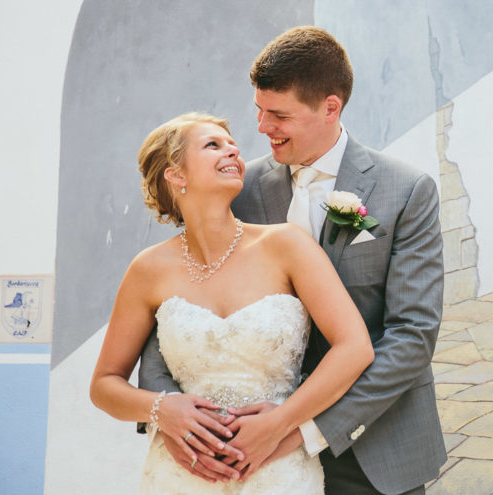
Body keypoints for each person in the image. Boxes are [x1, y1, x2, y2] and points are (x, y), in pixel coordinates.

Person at [139, 26, 447, 494]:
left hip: (372, 443)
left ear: (330, 107)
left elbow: (411, 335)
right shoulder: (236, 188)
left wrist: (300, 428)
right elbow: (175, 305)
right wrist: (171, 414)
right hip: (242, 452)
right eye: (259, 112)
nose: (262, 128)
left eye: (278, 115)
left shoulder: (407, 191)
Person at [91, 112, 374, 493]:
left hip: (277, 469)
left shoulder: (286, 245)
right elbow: (104, 385)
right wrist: (161, 410)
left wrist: (281, 422)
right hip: (181, 475)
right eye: (213, 145)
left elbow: (355, 348)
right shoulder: (148, 270)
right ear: (176, 175)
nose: (233, 150)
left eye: (232, 144)